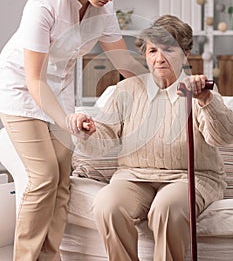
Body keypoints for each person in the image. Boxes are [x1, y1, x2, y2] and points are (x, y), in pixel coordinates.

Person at [0, 0, 145, 261]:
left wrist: (161, 86)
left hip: (59, 91)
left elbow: (122, 62)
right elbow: (34, 79)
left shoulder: (103, 9)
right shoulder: (44, 4)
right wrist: (66, 118)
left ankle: (50, 257)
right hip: (21, 90)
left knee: (63, 182)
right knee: (45, 176)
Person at [69, 14, 233, 261]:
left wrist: (205, 100)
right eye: (152, 50)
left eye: (168, 49)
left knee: (167, 208)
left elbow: (222, 137)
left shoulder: (199, 89)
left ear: (185, 54)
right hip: (134, 175)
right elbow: (105, 137)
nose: (159, 58)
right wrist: (89, 130)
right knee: (108, 205)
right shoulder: (126, 90)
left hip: (190, 177)